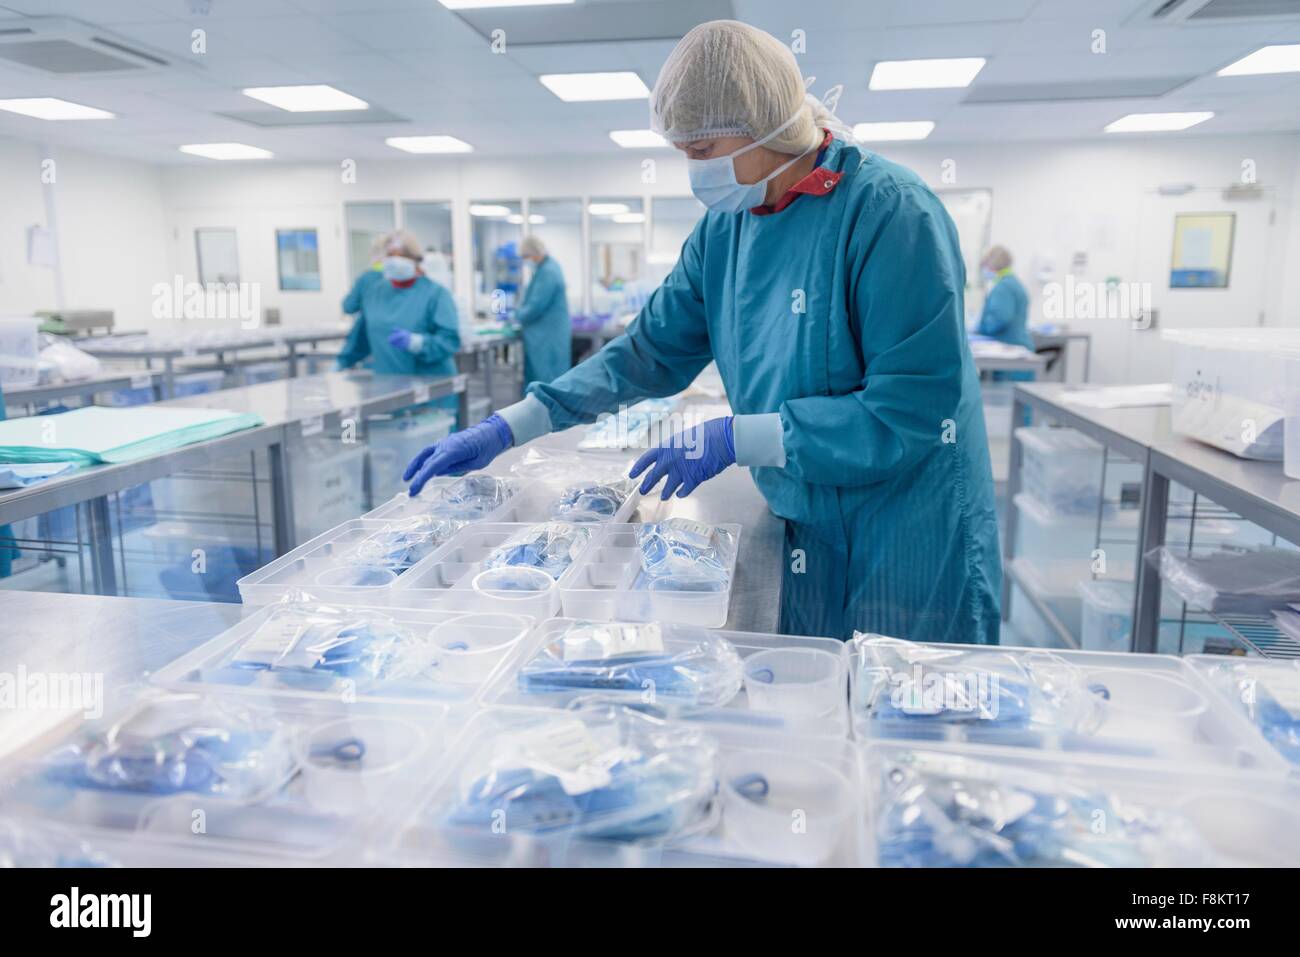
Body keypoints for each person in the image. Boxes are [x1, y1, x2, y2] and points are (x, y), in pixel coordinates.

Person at [403, 20, 1000, 644]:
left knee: (917, 708)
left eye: (700, 151)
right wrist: (514, 423)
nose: (691, 169)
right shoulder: (726, 231)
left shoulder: (890, 213)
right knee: (811, 705)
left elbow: (912, 411)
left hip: (907, 529)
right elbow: (647, 350)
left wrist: (740, 437)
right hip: (804, 515)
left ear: (765, 128)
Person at [337, 230, 461, 379]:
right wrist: (341, 363)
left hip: (431, 385)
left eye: (402, 255)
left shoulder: (436, 294)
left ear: (416, 259)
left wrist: (417, 343)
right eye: (390, 255)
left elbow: (450, 341)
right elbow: (360, 338)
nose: (395, 261)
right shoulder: (374, 293)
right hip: (387, 383)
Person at [514, 235, 572, 388]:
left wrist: (516, 315)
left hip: (546, 336)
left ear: (534, 253)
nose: (526, 261)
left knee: (547, 380)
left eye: (526, 257)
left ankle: (545, 411)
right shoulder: (546, 268)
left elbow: (536, 305)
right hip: (547, 333)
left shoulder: (548, 272)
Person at [975, 245, 1032, 350]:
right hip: (1017, 345)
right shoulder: (1013, 283)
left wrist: (980, 328)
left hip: (1009, 347)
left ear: (991, 265)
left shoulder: (1003, 287)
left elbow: (1000, 318)